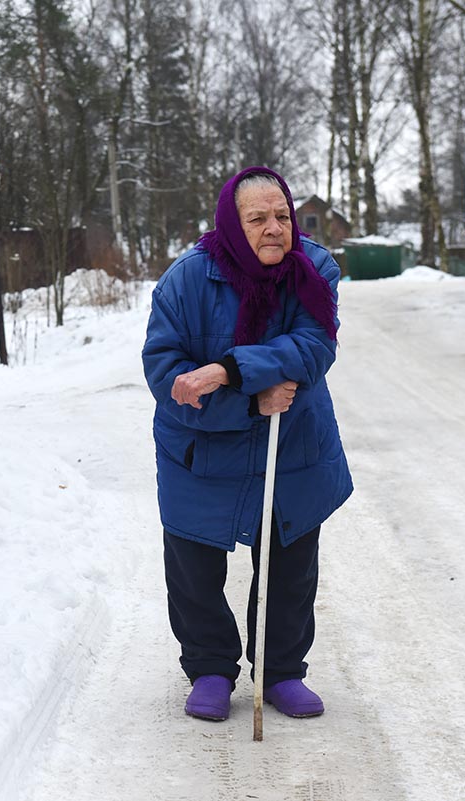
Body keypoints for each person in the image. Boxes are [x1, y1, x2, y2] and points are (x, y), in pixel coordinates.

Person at [141, 166, 353, 722]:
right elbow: (166, 375)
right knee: (193, 564)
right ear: (232, 225)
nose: (274, 229)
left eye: (282, 216)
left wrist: (230, 370)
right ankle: (209, 667)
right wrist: (247, 399)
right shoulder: (186, 281)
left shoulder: (316, 269)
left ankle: (281, 671)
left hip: (293, 444)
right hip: (201, 448)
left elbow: (313, 345)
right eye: (257, 218)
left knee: (289, 563)